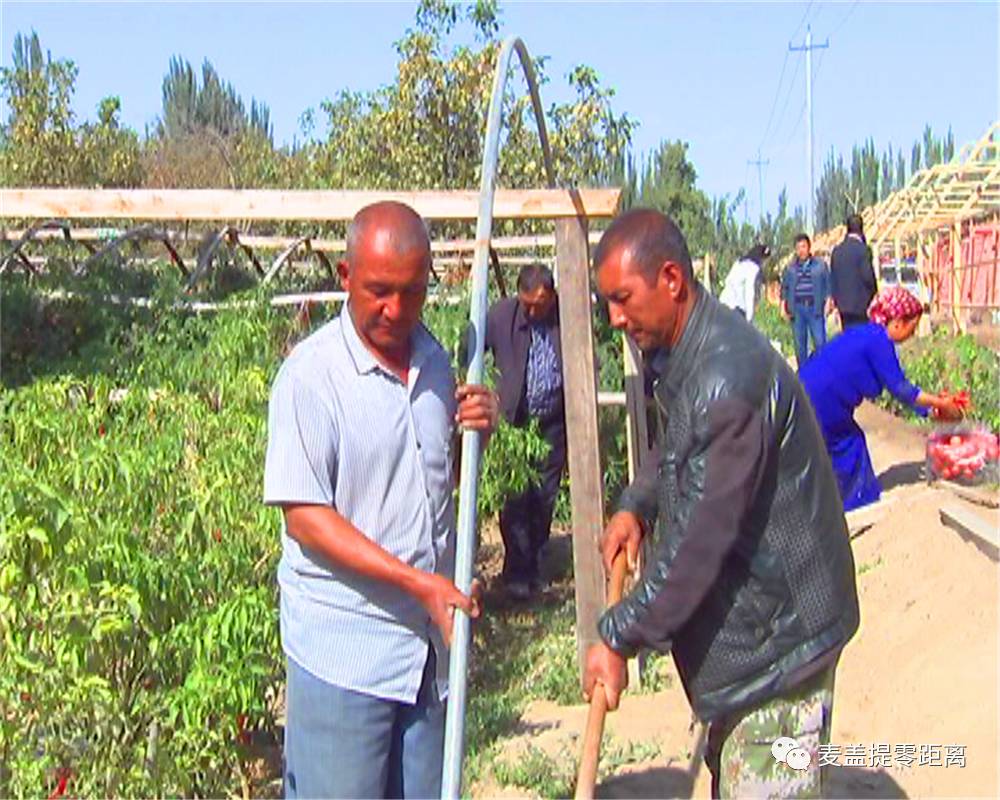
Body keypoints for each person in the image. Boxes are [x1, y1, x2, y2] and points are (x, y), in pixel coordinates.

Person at [583, 208, 860, 799]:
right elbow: (677, 444)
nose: (614, 317)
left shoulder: (726, 379)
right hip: (759, 638)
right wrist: (637, 502)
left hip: (781, 654)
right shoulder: (692, 353)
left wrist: (616, 637)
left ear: (672, 280)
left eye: (623, 298)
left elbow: (694, 553)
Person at [263, 201, 500, 799]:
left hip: (425, 655)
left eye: (412, 292)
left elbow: (429, 487)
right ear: (345, 277)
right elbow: (306, 519)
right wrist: (418, 583)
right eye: (377, 292)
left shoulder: (437, 364)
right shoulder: (311, 378)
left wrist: (474, 434)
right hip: (346, 654)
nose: (395, 310)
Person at [799, 286, 963, 511]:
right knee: (848, 446)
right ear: (897, 322)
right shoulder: (879, 343)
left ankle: (830, 499)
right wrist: (941, 404)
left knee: (828, 446)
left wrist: (928, 410)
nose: (911, 336)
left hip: (809, 389)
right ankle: (854, 503)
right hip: (824, 399)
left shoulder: (868, 334)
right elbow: (901, 389)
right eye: (911, 329)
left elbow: (896, 389)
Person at [485, 263, 566, 600]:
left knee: (544, 494)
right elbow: (470, 350)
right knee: (516, 497)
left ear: (552, 296)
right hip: (516, 422)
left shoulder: (566, 314)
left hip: (553, 422)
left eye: (541, 304)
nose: (534, 310)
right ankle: (516, 573)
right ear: (519, 296)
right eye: (528, 303)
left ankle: (534, 565)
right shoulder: (502, 316)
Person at [781, 233, 833, 367]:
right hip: (797, 310)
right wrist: (783, 307)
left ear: (809, 248)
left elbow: (828, 286)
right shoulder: (790, 268)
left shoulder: (820, 266)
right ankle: (804, 378)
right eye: (798, 248)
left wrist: (828, 302)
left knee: (820, 343)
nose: (801, 250)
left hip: (814, 308)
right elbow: (784, 288)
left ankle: (823, 372)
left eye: (803, 247)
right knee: (800, 346)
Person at [830, 214, 877, 329]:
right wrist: (874, 293)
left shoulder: (837, 251)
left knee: (848, 336)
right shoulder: (863, 250)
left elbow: (833, 278)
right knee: (861, 337)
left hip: (843, 305)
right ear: (861, 228)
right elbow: (867, 276)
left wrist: (835, 300)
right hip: (860, 304)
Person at [719, 243, 770, 322]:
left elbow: (728, 280)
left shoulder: (738, 263)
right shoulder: (754, 269)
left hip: (724, 303)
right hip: (737, 309)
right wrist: (749, 318)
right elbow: (749, 291)